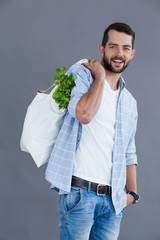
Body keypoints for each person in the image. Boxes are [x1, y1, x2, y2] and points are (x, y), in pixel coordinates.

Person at [45, 22, 140, 240]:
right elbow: (84, 115)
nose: (119, 54)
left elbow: (129, 151)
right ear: (102, 49)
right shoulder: (84, 74)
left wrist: (132, 194)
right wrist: (99, 78)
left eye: (125, 48)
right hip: (80, 194)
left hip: (113, 201)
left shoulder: (129, 102)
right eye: (113, 46)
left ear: (132, 54)